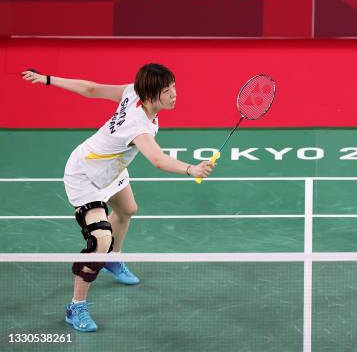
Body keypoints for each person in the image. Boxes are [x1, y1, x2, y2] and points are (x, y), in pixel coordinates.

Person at [21, 63, 215, 331]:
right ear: (150, 95)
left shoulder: (133, 92)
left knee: (127, 210)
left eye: (174, 88)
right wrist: (191, 169)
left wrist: (48, 78)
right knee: (100, 239)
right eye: (167, 90)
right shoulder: (138, 126)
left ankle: (112, 258)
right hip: (85, 175)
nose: (174, 95)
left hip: (110, 170)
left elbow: (91, 89)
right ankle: (76, 307)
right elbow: (157, 160)